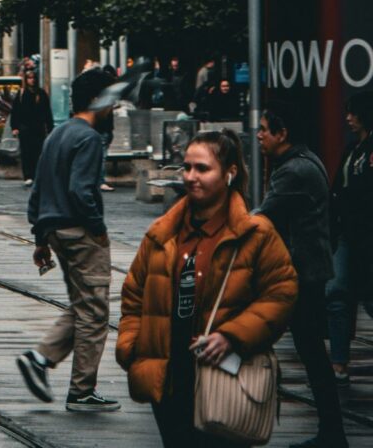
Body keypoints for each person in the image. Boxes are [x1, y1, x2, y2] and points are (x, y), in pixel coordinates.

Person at [117, 129, 298, 448]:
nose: (191, 176)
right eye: (186, 167)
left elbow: (281, 294)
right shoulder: (162, 234)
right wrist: (132, 350)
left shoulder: (255, 234)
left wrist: (232, 336)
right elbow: (134, 296)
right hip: (170, 379)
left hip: (225, 377)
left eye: (202, 168)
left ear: (229, 173)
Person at [18, 68, 121, 412]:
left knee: (82, 305)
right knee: (94, 311)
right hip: (79, 232)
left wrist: (40, 238)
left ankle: (40, 357)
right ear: (96, 100)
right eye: (110, 99)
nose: (114, 106)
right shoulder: (89, 138)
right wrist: (98, 227)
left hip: (54, 230)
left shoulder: (57, 134)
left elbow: (37, 193)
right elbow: (81, 190)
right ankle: (81, 390)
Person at [256, 102, 346, 448]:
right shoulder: (304, 161)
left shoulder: (294, 170)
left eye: (265, 129)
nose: (260, 135)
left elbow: (263, 216)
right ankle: (332, 432)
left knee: (303, 351)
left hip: (301, 274)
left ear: (283, 133)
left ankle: (332, 433)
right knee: (312, 354)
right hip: (307, 270)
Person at [328, 91, 373, 386]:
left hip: (366, 234)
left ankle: (339, 361)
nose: (348, 118)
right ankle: (339, 362)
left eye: (353, 113)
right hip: (348, 234)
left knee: (366, 299)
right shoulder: (353, 150)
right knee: (337, 293)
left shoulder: (365, 151)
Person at [9, 67, 53, 186]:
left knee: (38, 153)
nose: (32, 80)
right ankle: (28, 176)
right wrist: (15, 127)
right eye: (29, 78)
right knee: (26, 153)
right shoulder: (22, 94)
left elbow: (47, 112)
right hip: (25, 129)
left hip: (38, 129)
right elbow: (15, 112)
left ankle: (37, 175)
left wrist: (50, 128)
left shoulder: (41, 93)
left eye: (33, 78)